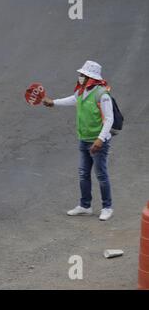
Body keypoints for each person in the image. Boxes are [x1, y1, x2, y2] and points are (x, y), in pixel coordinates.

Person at [43, 61, 114, 221]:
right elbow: (72, 100)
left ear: (91, 77)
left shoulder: (102, 94)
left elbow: (109, 119)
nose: (80, 77)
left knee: (101, 175)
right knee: (83, 174)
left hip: (97, 141)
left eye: (83, 75)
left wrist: (100, 139)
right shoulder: (82, 91)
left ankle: (107, 207)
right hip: (84, 139)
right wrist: (53, 102)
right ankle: (85, 206)